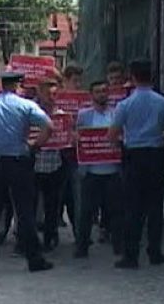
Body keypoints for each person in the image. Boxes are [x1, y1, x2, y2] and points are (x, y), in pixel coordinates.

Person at [0, 71, 54, 273]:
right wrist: (34, 145)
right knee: (25, 212)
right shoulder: (26, 105)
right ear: (19, 85)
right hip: (19, 162)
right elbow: (48, 126)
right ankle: (34, 260)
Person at [109, 60, 164, 268]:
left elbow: (112, 134)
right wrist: (162, 136)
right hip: (156, 155)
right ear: (152, 76)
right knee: (155, 206)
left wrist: (125, 140)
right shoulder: (163, 103)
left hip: (133, 156)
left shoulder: (125, 104)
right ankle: (155, 252)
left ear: (132, 77)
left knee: (133, 207)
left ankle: (131, 255)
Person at [75, 81, 123, 258]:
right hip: (91, 173)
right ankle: (82, 247)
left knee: (117, 212)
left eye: (104, 91)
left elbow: (122, 135)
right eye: (98, 91)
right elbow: (78, 137)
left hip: (113, 171)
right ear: (91, 95)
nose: (102, 94)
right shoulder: (84, 115)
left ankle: (119, 245)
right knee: (86, 211)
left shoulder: (116, 114)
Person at [33, 79, 65, 252]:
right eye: (48, 93)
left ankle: (49, 238)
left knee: (52, 206)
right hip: (34, 166)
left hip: (54, 166)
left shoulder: (61, 115)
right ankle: (28, 240)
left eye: (54, 94)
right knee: (30, 206)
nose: (51, 97)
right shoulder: (31, 112)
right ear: (39, 93)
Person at [59, 65, 83, 232]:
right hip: (59, 154)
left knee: (77, 196)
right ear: (65, 81)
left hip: (76, 154)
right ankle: (51, 234)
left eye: (80, 81)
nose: (79, 85)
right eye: (75, 81)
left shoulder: (84, 101)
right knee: (56, 196)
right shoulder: (57, 99)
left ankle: (79, 234)